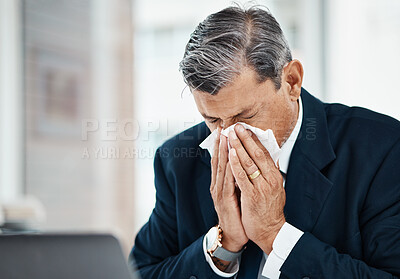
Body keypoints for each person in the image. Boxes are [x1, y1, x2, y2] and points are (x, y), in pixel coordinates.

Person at [130, 6, 400, 279]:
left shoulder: (383, 150)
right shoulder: (176, 161)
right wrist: (223, 246)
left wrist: (275, 235)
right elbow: (140, 273)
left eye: (245, 116)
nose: (227, 136)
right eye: (212, 119)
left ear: (291, 81)